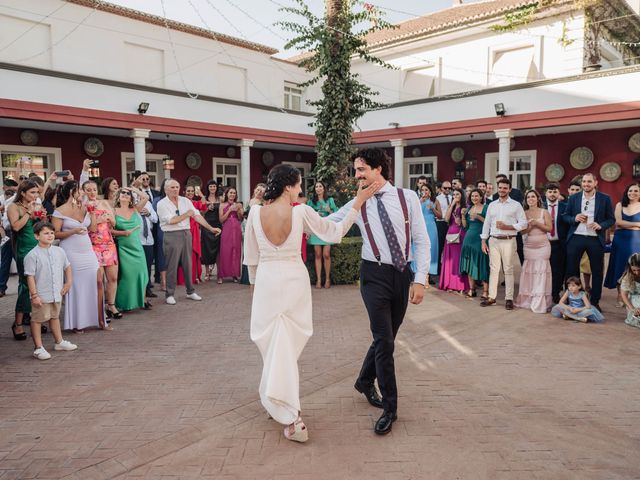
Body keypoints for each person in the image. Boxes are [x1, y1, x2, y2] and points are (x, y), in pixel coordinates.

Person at [243, 164, 379, 443]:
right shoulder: (301, 212)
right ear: (288, 186)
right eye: (298, 185)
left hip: (267, 282)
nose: (300, 190)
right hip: (293, 280)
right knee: (287, 345)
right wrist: (359, 201)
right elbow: (335, 231)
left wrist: (256, 289)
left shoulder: (255, 213)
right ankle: (292, 418)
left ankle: (276, 401)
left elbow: (251, 258)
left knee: (273, 344)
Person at [329, 148, 429, 435]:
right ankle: (391, 407)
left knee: (386, 338)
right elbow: (330, 223)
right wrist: (294, 216)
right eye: (356, 170)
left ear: (377, 170)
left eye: (361, 170)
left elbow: (421, 239)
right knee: (385, 341)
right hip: (373, 276)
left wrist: (420, 279)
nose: (356, 176)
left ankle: (363, 380)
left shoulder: (407, 198)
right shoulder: (357, 202)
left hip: (401, 274)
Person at [156, 179, 221, 305]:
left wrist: (211, 228)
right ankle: (169, 294)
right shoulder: (162, 204)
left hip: (186, 233)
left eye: (177, 187)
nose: (175, 189)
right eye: (172, 187)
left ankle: (190, 291)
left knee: (188, 264)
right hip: (171, 234)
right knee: (172, 265)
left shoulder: (185, 201)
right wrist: (187, 214)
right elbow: (172, 221)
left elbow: (197, 216)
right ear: (166, 189)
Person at [52, 181, 101, 332]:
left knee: (97, 281)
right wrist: (72, 232)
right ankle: (77, 323)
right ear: (72, 192)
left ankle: (98, 319)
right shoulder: (59, 211)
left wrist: (92, 213)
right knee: (77, 286)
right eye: (80, 190)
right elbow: (55, 234)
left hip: (87, 251)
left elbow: (92, 228)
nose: (83, 192)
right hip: (71, 251)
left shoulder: (84, 207)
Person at [24, 221, 78, 360]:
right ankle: (38, 347)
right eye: (46, 233)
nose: (50, 236)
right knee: (37, 319)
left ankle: (59, 342)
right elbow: (29, 276)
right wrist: (34, 295)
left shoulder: (59, 251)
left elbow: (67, 266)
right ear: (36, 236)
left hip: (57, 292)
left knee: (54, 316)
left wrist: (68, 282)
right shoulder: (32, 255)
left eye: (52, 233)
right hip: (41, 294)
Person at [562, 173, 615, 311]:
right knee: (571, 270)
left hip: (595, 239)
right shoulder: (574, 198)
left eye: (589, 182)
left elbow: (611, 219)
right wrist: (574, 218)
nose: (586, 184)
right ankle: (571, 299)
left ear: (595, 183)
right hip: (576, 237)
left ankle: (595, 302)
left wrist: (601, 225)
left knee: (597, 271)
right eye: (584, 182)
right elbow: (565, 217)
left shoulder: (604, 199)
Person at [480, 177, 528, 310]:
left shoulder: (516, 205)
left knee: (508, 269)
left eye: (505, 188)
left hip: (508, 240)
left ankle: (509, 298)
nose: (502, 190)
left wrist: (508, 226)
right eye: (500, 188)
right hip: (493, 240)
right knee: (494, 269)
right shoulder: (492, 205)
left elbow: (524, 223)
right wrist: (484, 240)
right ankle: (492, 297)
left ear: (510, 189)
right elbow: (487, 224)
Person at [7, 179, 43, 340]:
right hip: (24, 249)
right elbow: (15, 227)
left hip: (38, 248)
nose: (35, 196)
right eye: (32, 193)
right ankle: (18, 323)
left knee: (39, 285)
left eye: (37, 193)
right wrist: (29, 212)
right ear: (22, 193)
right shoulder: (14, 207)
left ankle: (36, 318)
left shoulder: (36, 205)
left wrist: (41, 217)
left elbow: (40, 228)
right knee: (25, 286)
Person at [83, 179, 118, 327]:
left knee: (113, 277)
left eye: (94, 190)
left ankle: (111, 305)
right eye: (88, 190)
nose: (92, 193)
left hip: (108, 244)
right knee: (99, 281)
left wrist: (108, 218)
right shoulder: (82, 206)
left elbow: (114, 223)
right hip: (93, 245)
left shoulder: (103, 203)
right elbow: (89, 227)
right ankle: (99, 309)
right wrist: (98, 220)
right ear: (83, 191)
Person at [112, 187, 151, 311]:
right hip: (124, 248)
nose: (125, 194)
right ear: (118, 196)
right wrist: (122, 233)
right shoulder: (113, 211)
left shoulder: (135, 209)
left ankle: (143, 300)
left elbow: (146, 197)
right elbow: (109, 230)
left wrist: (133, 188)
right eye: (122, 192)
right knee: (127, 276)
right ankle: (124, 304)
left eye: (128, 193)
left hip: (137, 247)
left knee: (142, 273)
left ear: (131, 198)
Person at [515, 189, 553, 313]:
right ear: (526, 200)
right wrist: (530, 226)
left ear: (538, 198)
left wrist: (537, 223)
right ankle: (528, 299)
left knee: (541, 271)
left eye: (533, 196)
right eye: (528, 197)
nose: (530, 199)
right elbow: (521, 232)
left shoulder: (544, 212)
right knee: (529, 271)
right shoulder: (523, 213)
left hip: (543, 245)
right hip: (529, 245)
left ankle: (540, 301)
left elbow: (549, 228)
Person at [604, 184, 640, 305]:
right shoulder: (620, 205)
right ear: (626, 192)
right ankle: (621, 295)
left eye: (636, 191)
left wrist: (626, 224)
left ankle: (635, 295)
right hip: (620, 240)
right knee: (620, 266)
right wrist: (638, 225)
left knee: (636, 267)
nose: (633, 193)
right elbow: (618, 222)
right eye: (630, 190)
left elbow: (622, 224)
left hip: (637, 240)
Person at [307, 182, 338, 288]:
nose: (318, 188)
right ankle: (319, 280)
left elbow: (337, 214)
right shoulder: (311, 202)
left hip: (327, 228)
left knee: (326, 254)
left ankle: (328, 279)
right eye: (316, 186)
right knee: (318, 254)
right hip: (316, 229)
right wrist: (316, 214)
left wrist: (329, 211)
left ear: (324, 189)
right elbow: (307, 215)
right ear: (315, 189)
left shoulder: (330, 200)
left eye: (320, 186)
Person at [460, 188, 489, 299]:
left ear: (481, 197)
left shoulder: (486, 208)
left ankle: (485, 291)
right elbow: (465, 226)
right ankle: (472, 289)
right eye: (472, 196)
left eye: (476, 196)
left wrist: (478, 217)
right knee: (470, 264)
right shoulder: (469, 208)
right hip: (468, 239)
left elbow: (489, 223)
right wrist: (463, 215)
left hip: (481, 239)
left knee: (483, 264)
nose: (474, 198)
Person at [439, 188, 469, 293]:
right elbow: (446, 219)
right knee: (449, 260)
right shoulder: (451, 206)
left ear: (462, 195)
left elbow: (465, 224)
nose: (455, 196)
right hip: (450, 234)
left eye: (458, 194)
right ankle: (449, 284)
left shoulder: (465, 207)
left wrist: (461, 218)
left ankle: (459, 285)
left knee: (457, 260)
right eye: (454, 194)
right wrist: (451, 205)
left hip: (460, 235)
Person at [544, 183, 568, 303]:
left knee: (557, 271)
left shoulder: (565, 207)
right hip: (543, 244)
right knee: (543, 270)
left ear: (559, 193)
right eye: (550, 191)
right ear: (546, 193)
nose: (552, 194)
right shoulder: (541, 207)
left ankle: (555, 294)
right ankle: (544, 293)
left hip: (559, 244)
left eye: (555, 192)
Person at [178, 185, 207, 285]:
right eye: (188, 191)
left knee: (194, 254)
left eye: (192, 191)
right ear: (184, 192)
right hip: (184, 229)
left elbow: (203, 204)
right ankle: (183, 278)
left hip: (194, 230)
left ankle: (194, 277)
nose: (190, 193)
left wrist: (200, 193)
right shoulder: (180, 202)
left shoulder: (194, 203)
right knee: (184, 254)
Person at [217, 187, 243, 283]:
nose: (232, 194)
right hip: (227, 228)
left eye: (234, 193)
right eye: (231, 193)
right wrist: (229, 210)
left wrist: (239, 211)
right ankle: (221, 275)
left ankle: (234, 274)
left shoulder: (239, 204)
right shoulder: (222, 205)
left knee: (236, 250)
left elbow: (241, 219)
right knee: (225, 251)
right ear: (227, 194)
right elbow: (221, 220)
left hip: (236, 228)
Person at [200, 180, 222, 281]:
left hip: (217, 224)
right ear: (208, 188)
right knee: (206, 248)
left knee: (218, 249)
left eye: (214, 186)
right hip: (207, 225)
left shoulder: (220, 198)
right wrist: (208, 208)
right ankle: (207, 272)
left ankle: (218, 273)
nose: (212, 188)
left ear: (216, 188)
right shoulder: (204, 198)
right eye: (211, 186)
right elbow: (201, 213)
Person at [0, 179, 18, 297]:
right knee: (5, 261)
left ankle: (26, 283)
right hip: (6, 232)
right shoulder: (2, 199)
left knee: (19, 259)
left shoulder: (16, 198)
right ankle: (1, 287)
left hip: (16, 232)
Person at [418, 183, 440, 279]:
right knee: (419, 248)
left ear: (430, 191)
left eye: (426, 190)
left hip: (431, 226)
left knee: (431, 248)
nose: (424, 192)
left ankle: (429, 273)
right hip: (420, 226)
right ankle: (418, 272)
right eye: (422, 190)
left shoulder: (435, 201)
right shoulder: (418, 201)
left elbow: (440, 216)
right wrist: (420, 202)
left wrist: (433, 209)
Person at [152, 179, 169, 292]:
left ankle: (170, 279)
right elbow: (153, 216)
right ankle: (163, 281)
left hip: (174, 231)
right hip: (161, 230)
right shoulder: (157, 200)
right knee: (162, 255)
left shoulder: (177, 200)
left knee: (172, 256)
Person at [435, 180, 452, 275]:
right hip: (441, 224)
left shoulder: (452, 197)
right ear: (441, 188)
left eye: (449, 188)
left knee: (449, 246)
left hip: (450, 224)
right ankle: (438, 269)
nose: (447, 190)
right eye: (445, 188)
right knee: (440, 246)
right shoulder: (437, 198)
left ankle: (447, 268)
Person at [620, 253, 640, 328]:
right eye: (634, 270)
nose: (637, 273)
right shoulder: (627, 276)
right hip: (634, 300)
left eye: (639, 270)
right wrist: (632, 309)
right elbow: (624, 295)